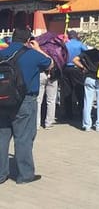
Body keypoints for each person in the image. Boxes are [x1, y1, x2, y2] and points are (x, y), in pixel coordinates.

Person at [0, 29, 53, 184]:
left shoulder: (2, 53)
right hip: (25, 100)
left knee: (2, 137)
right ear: (28, 40)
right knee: (23, 137)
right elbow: (50, 64)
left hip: (2, 100)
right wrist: (37, 48)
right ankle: (25, 174)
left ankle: (1, 174)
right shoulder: (32, 54)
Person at [62, 30, 87, 121]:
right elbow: (87, 53)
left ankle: (68, 113)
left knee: (67, 91)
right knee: (80, 91)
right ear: (76, 36)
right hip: (77, 68)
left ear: (69, 36)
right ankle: (81, 112)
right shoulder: (80, 44)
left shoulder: (65, 45)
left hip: (66, 68)